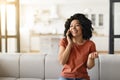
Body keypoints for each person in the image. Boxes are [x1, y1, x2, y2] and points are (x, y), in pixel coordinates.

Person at [58, 13, 98, 80]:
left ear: (83, 27)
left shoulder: (90, 44)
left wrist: (90, 58)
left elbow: (89, 66)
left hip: (82, 77)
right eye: (71, 26)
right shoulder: (64, 41)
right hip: (66, 77)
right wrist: (70, 44)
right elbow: (62, 62)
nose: (73, 28)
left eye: (77, 25)